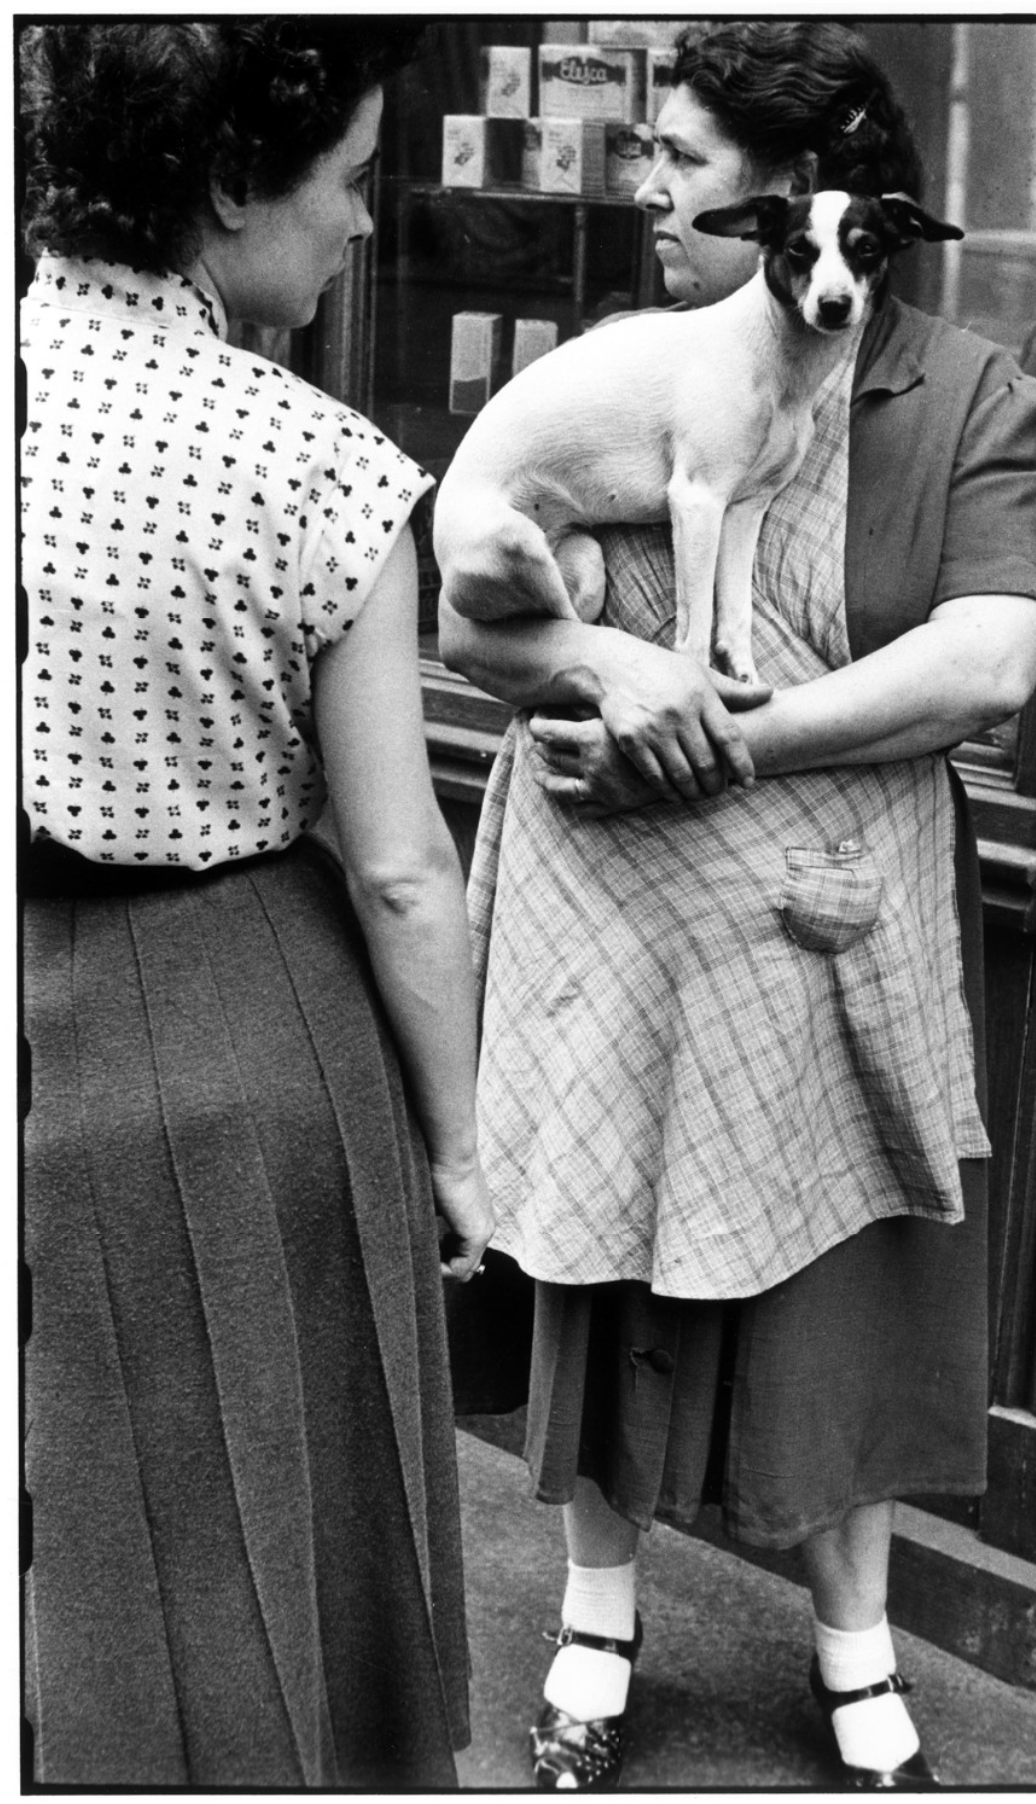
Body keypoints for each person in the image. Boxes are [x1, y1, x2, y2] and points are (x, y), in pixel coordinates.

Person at [439, 18, 1036, 1792]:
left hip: (828, 902)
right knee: (610, 1270)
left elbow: (984, 660)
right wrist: (616, 677)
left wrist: (730, 738)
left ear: (826, 186)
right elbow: (472, 618)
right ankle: (596, 1623)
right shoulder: (638, 369)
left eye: (686, 160)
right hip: (617, 901)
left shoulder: (965, 394)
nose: (647, 188)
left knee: (839, 1281)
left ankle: (859, 1656)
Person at [20, 21, 494, 1788]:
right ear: (229, 183)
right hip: (237, 1046)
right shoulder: (323, 471)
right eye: (355, 181)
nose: (367, 227)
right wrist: (457, 1151)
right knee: (268, 1576)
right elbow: (399, 868)